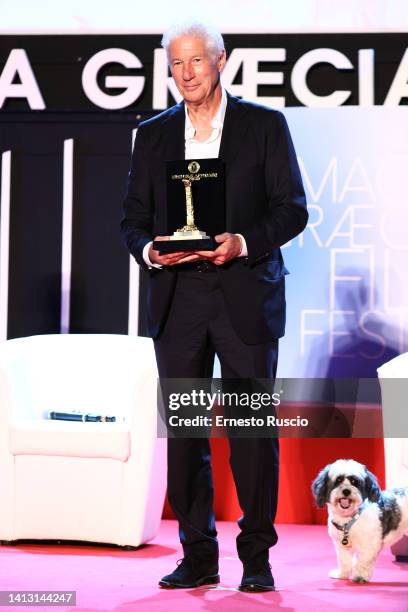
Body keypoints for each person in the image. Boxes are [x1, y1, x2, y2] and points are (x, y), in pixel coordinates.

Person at [121, 20, 308, 592]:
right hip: (178, 302)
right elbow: (133, 219)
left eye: (195, 62)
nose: (185, 74)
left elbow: (292, 209)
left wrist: (243, 242)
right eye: (176, 64)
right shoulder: (152, 134)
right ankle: (198, 555)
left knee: (252, 433)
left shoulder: (264, 126)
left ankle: (256, 558)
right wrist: (150, 251)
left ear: (221, 61)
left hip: (245, 295)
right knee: (186, 435)